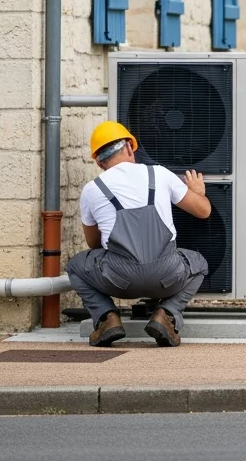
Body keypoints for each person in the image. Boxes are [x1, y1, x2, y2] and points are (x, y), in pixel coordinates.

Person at [66, 121, 211, 348]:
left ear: (99, 162)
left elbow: (93, 244)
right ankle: (167, 314)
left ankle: (106, 318)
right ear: (130, 148)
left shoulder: (92, 190)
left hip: (119, 283)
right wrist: (198, 192)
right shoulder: (159, 174)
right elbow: (203, 211)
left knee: (75, 265)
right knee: (199, 263)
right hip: (167, 277)